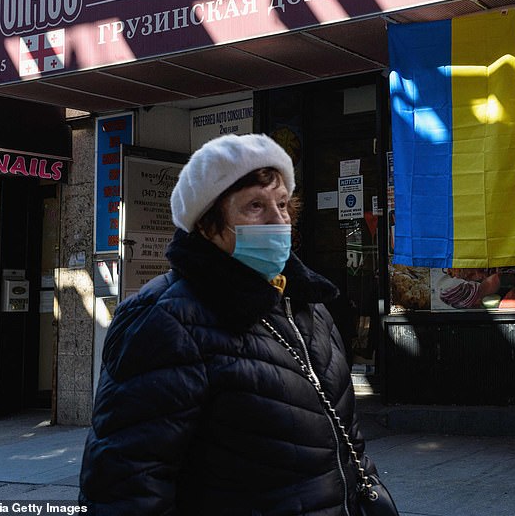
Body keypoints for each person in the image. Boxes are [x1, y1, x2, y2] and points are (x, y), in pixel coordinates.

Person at [79, 133, 380, 515]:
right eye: (255, 206)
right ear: (207, 224)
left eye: (284, 204)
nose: (278, 220)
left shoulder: (306, 306)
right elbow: (125, 485)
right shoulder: (163, 320)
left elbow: (345, 440)